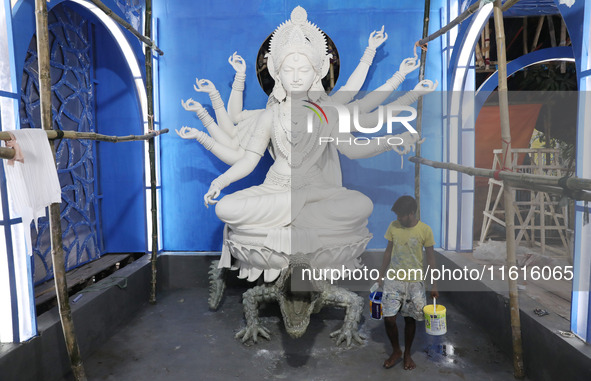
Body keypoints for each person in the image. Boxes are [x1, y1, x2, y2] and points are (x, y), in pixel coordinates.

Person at [378, 195, 438, 370]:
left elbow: (431, 259)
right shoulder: (393, 227)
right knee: (389, 319)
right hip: (393, 280)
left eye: (401, 215)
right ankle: (396, 350)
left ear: (411, 213)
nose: (398, 218)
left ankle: (407, 353)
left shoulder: (425, 230)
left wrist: (434, 285)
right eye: (397, 215)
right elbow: (388, 252)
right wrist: (380, 274)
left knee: (410, 319)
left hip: (415, 283)